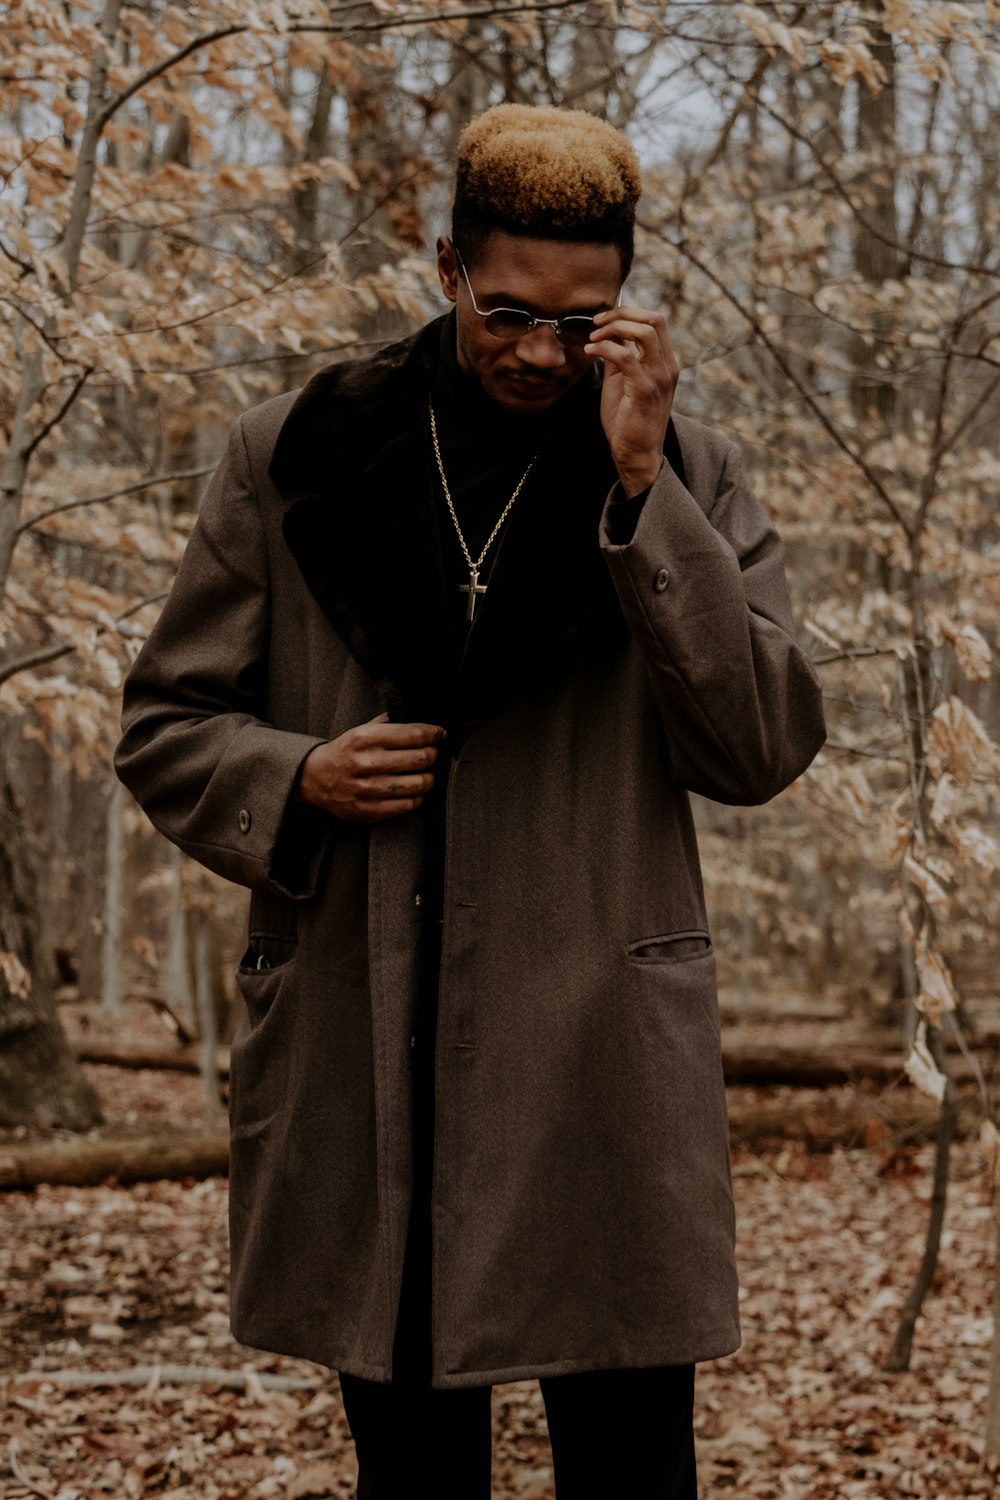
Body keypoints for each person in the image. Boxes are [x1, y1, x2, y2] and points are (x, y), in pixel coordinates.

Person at [115, 103, 826, 1498]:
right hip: (370, 1049)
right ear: (445, 267)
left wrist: (638, 485)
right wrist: (296, 776)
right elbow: (165, 724)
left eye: (584, 320)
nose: (545, 354)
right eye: (510, 313)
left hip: (595, 1055)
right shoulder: (295, 450)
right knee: (413, 1479)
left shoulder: (687, 466)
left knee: (632, 1472)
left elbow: (759, 749)